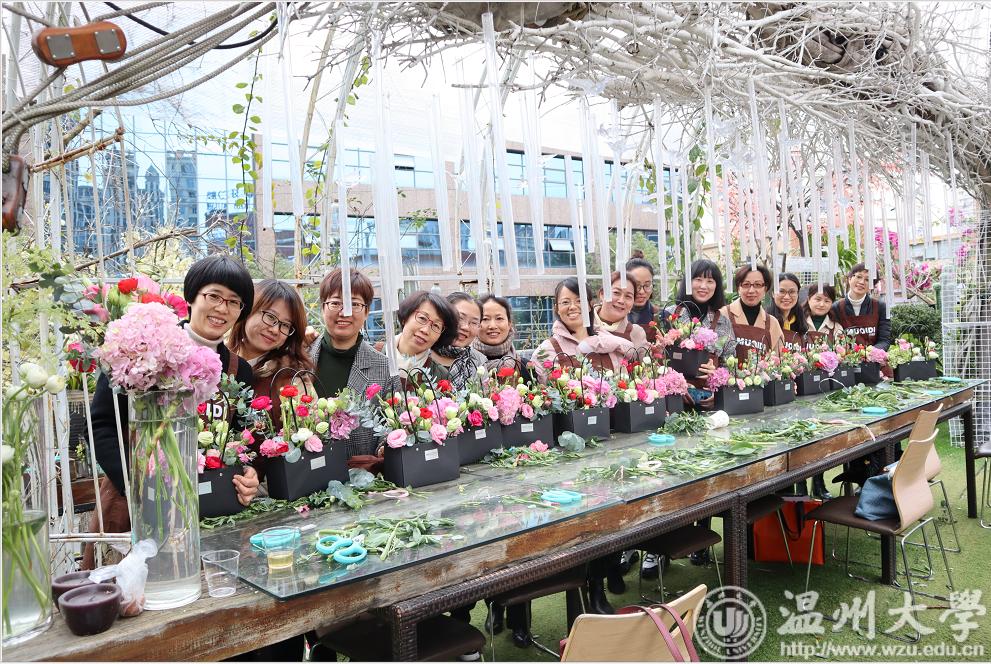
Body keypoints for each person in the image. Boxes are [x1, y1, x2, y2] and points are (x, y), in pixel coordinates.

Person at [85, 255, 259, 569]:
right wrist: (137, 486)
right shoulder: (145, 348)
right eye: (214, 296)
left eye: (234, 302)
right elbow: (100, 425)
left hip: (211, 516)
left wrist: (248, 474)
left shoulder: (239, 370)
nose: (222, 308)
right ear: (192, 296)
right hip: (139, 512)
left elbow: (240, 439)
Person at [308, 268, 394, 462]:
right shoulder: (299, 358)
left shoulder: (384, 367)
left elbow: (390, 425)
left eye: (354, 304)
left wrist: (384, 449)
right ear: (322, 307)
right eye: (336, 303)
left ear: (367, 311)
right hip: (304, 473)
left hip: (362, 475)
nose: (344, 312)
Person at [662, 259, 737, 406]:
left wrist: (718, 388)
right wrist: (676, 384)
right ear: (688, 282)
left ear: (716, 286)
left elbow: (731, 365)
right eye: (698, 279)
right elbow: (656, 360)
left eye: (710, 281)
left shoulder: (723, 322)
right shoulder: (669, 315)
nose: (703, 286)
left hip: (707, 400)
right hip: (672, 400)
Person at [532, 277, 637, 381]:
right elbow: (545, 388)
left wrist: (599, 343)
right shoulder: (546, 350)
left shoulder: (607, 341)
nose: (572, 307)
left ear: (590, 306)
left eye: (579, 301)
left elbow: (624, 379)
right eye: (565, 302)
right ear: (557, 308)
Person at [720, 264, 783, 364]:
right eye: (746, 284)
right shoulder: (723, 314)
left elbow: (778, 362)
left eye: (757, 285)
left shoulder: (772, 323)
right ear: (738, 288)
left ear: (765, 288)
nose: (751, 290)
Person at [430, 292, 488, 390]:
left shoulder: (478, 362)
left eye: (474, 323)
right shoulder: (422, 353)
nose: (466, 327)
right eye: (460, 318)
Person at [472, 295, 534, 382]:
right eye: (485, 319)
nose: (492, 326)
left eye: (499, 318)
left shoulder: (524, 367)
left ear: (509, 324)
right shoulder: (464, 366)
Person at [831, 263, 892, 351]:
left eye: (867, 280)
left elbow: (884, 340)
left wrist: (870, 353)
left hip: (873, 357)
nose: (862, 282)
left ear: (872, 286)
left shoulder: (880, 307)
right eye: (859, 277)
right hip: (845, 358)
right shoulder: (836, 308)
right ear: (849, 279)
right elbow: (833, 341)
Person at [595, 271, 648, 348]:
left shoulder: (636, 333)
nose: (621, 301)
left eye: (628, 296)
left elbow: (647, 356)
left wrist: (658, 353)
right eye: (616, 293)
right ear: (602, 294)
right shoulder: (582, 324)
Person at [766, 273, 808, 352]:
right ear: (772, 293)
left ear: (797, 294)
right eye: (781, 291)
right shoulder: (766, 322)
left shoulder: (800, 322)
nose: (787, 297)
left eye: (792, 292)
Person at [626, 253, 658, 343]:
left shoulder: (661, 316)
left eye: (647, 285)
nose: (642, 292)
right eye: (636, 285)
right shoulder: (613, 316)